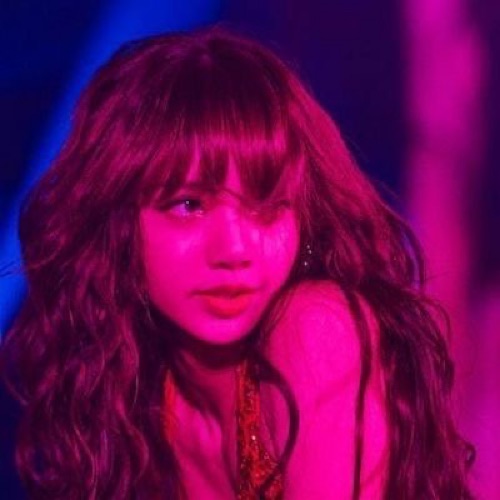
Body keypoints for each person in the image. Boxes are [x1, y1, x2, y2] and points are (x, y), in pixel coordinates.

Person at [0, 26, 473, 499]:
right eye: (188, 205)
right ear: (117, 225)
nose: (234, 250)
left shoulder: (315, 328)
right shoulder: (132, 394)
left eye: (266, 207)